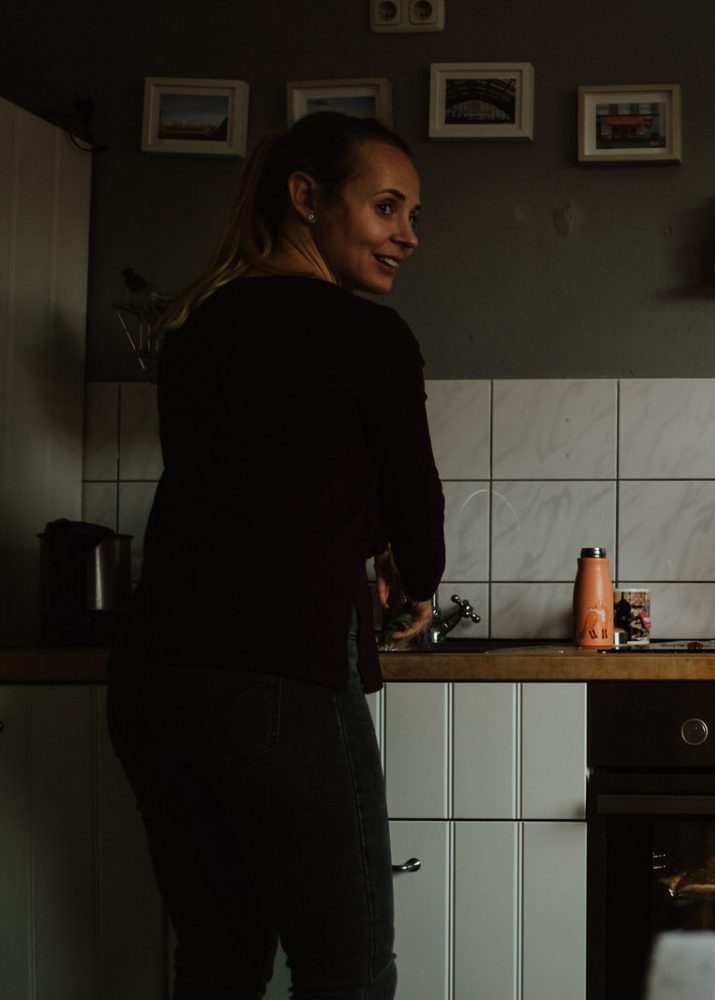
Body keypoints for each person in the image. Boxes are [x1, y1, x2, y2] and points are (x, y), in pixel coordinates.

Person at [106, 112, 445, 999]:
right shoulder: (367, 335)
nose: (408, 234)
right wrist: (419, 579)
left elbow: (270, 477)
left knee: (218, 962)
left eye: (411, 213)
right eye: (386, 207)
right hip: (278, 679)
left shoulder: (193, 330)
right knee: (349, 971)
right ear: (306, 199)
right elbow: (417, 507)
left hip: (154, 682)